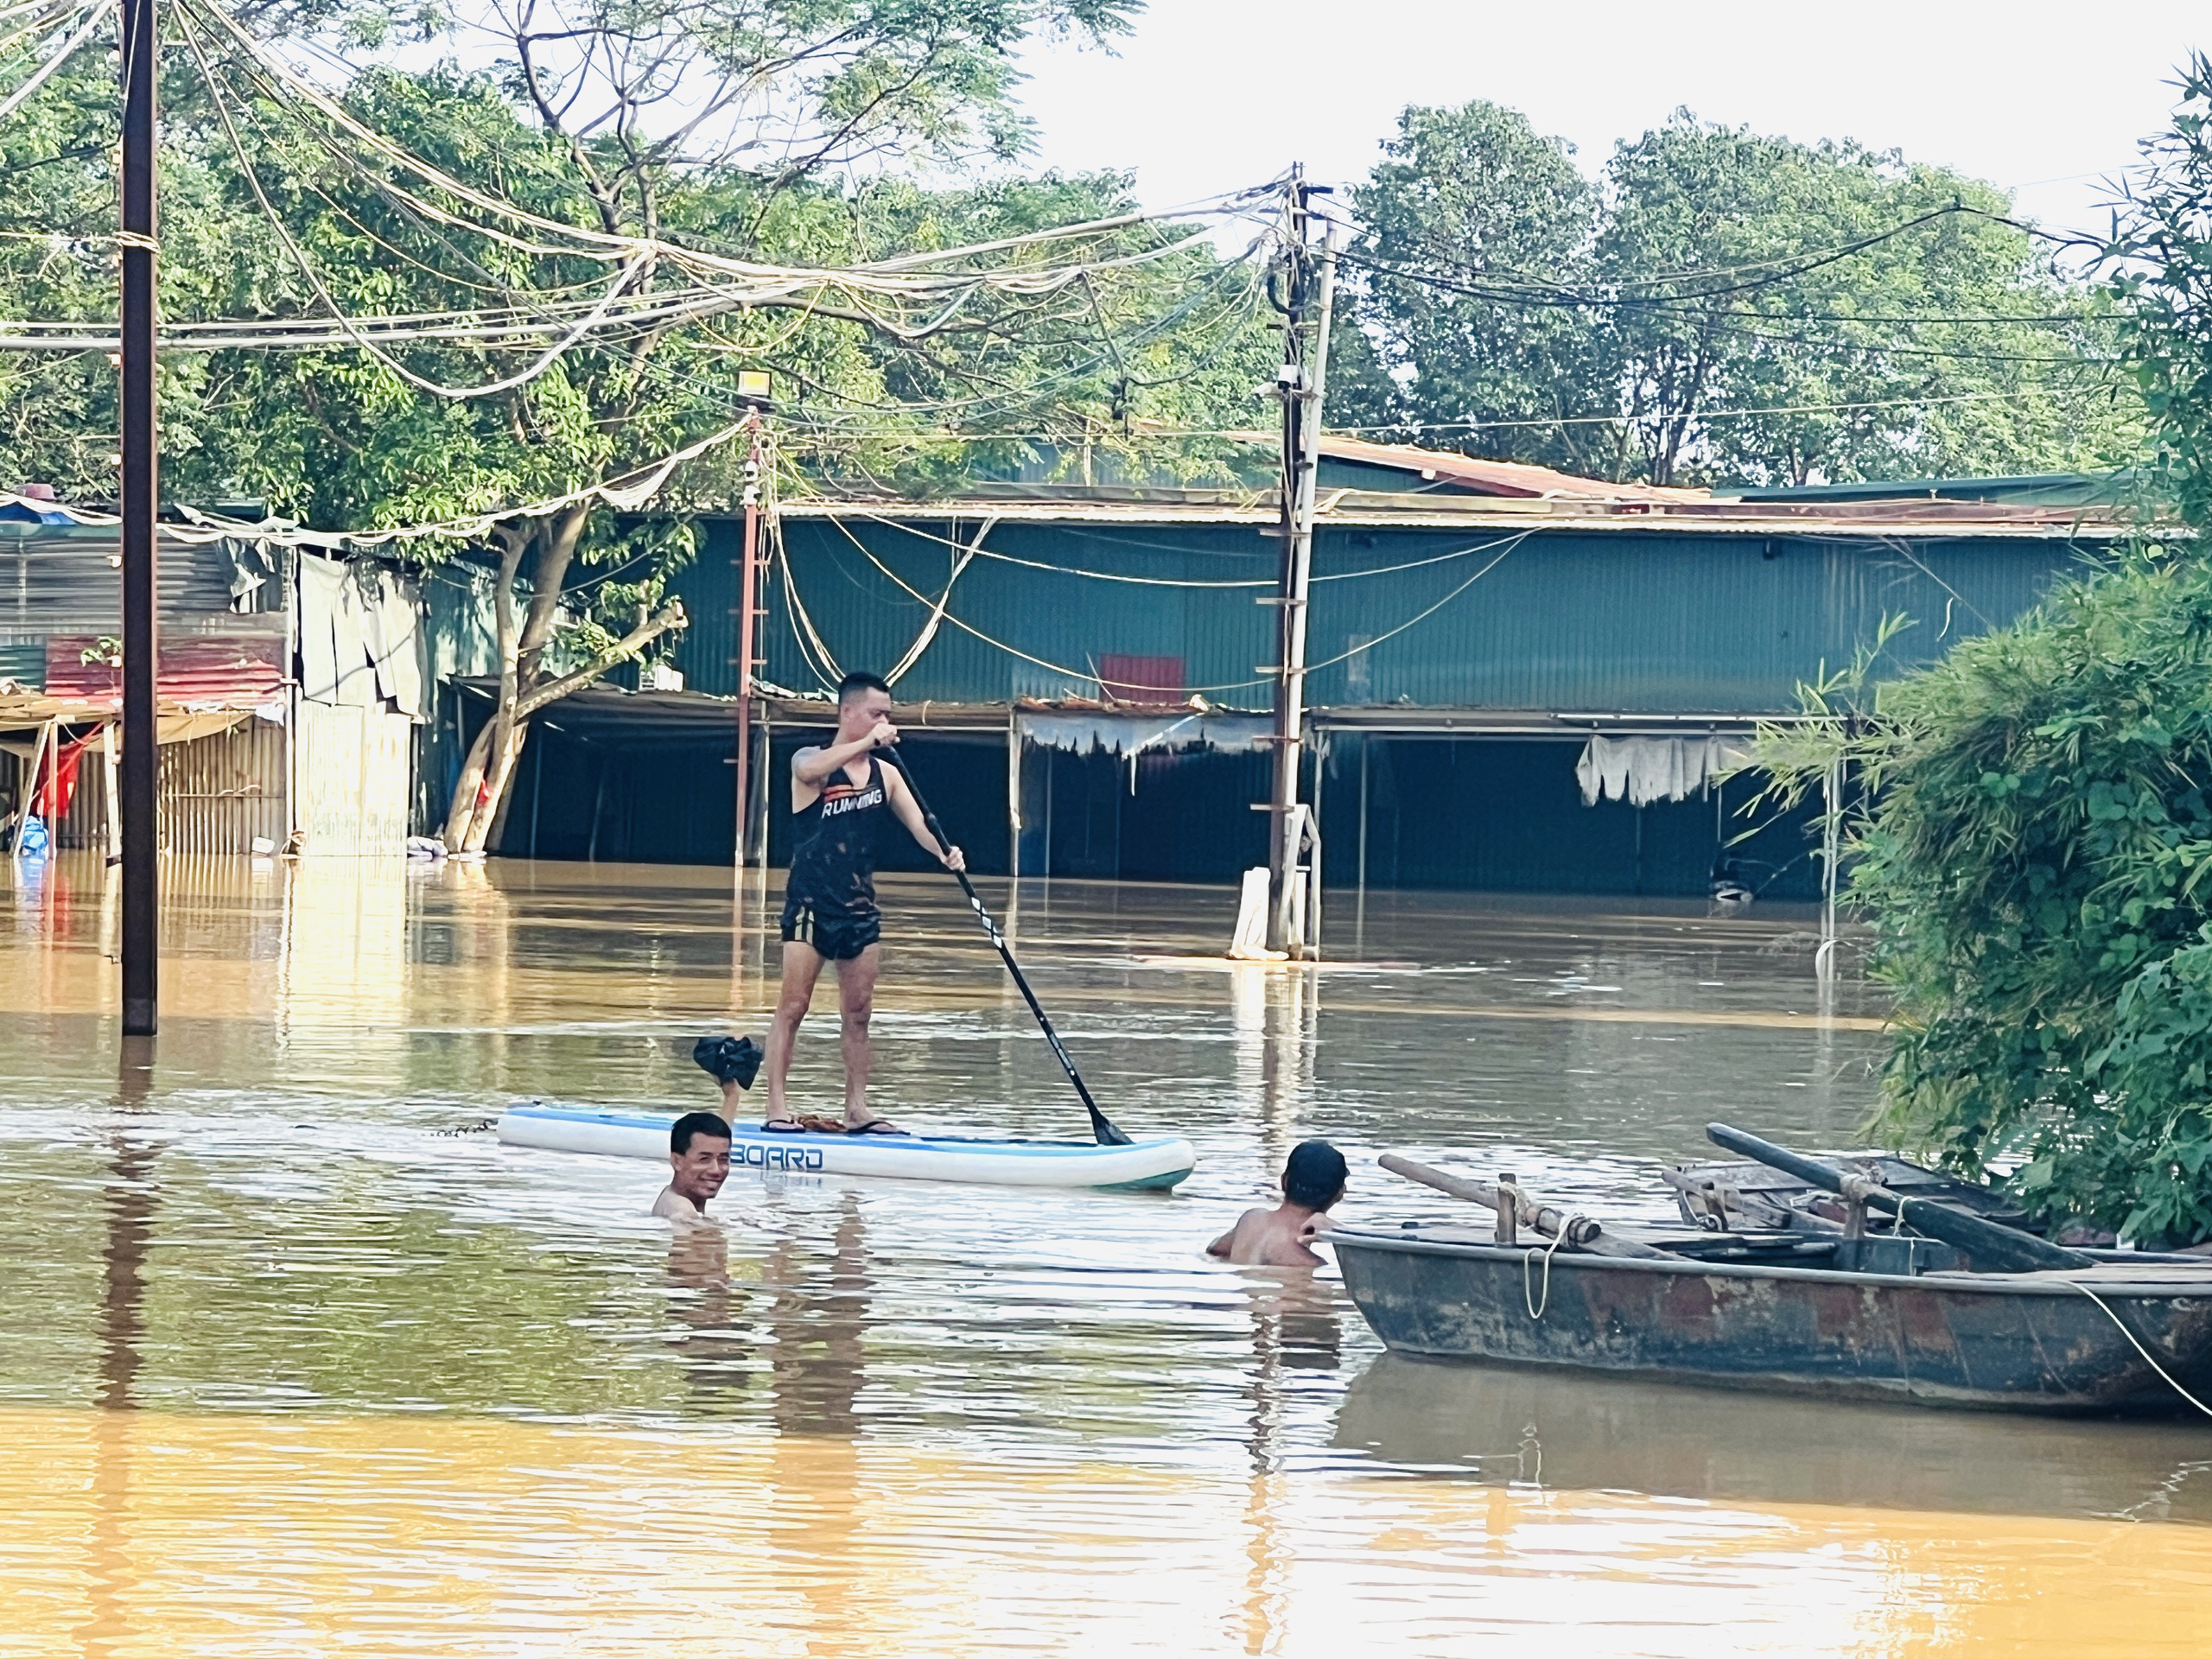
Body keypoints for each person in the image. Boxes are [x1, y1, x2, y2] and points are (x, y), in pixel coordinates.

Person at [763, 670, 964, 1135]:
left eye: (887, 716)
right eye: (876, 713)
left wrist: (945, 852)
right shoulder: (811, 761)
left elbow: (919, 826)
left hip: (859, 908)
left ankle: (857, 1109)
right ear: (848, 712)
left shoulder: (887, 775)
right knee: (793, 1007)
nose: (885, 722)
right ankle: (776, 1108)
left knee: (859, 1014)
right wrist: (868, 740)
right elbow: (806, 772)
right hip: (811, 904)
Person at [1208, 1140, 1349, 1268]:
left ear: (1284, 1181)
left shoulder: (1251, 1219)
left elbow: (1215, 1249)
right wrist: (1342, 1232)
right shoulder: (1308, 1263)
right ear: (1340, 1192)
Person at [653, 1111, 734, 1226]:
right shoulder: (682, 1210)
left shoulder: (670, 1198)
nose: (716, 1170)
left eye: (723, 1160)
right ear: (677, 1161)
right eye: (704, 1159)